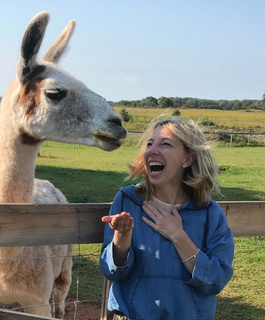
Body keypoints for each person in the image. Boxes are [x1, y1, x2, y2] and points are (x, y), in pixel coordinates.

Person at [99, 116, 235, 320]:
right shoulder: (127, 201)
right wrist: (122, 235)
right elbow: (113, 273)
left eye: (166, 144)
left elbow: (215, 281)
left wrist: (178, 235)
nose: (153, 150)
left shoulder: (209, 213)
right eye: (150, 144)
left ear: (188, 159)